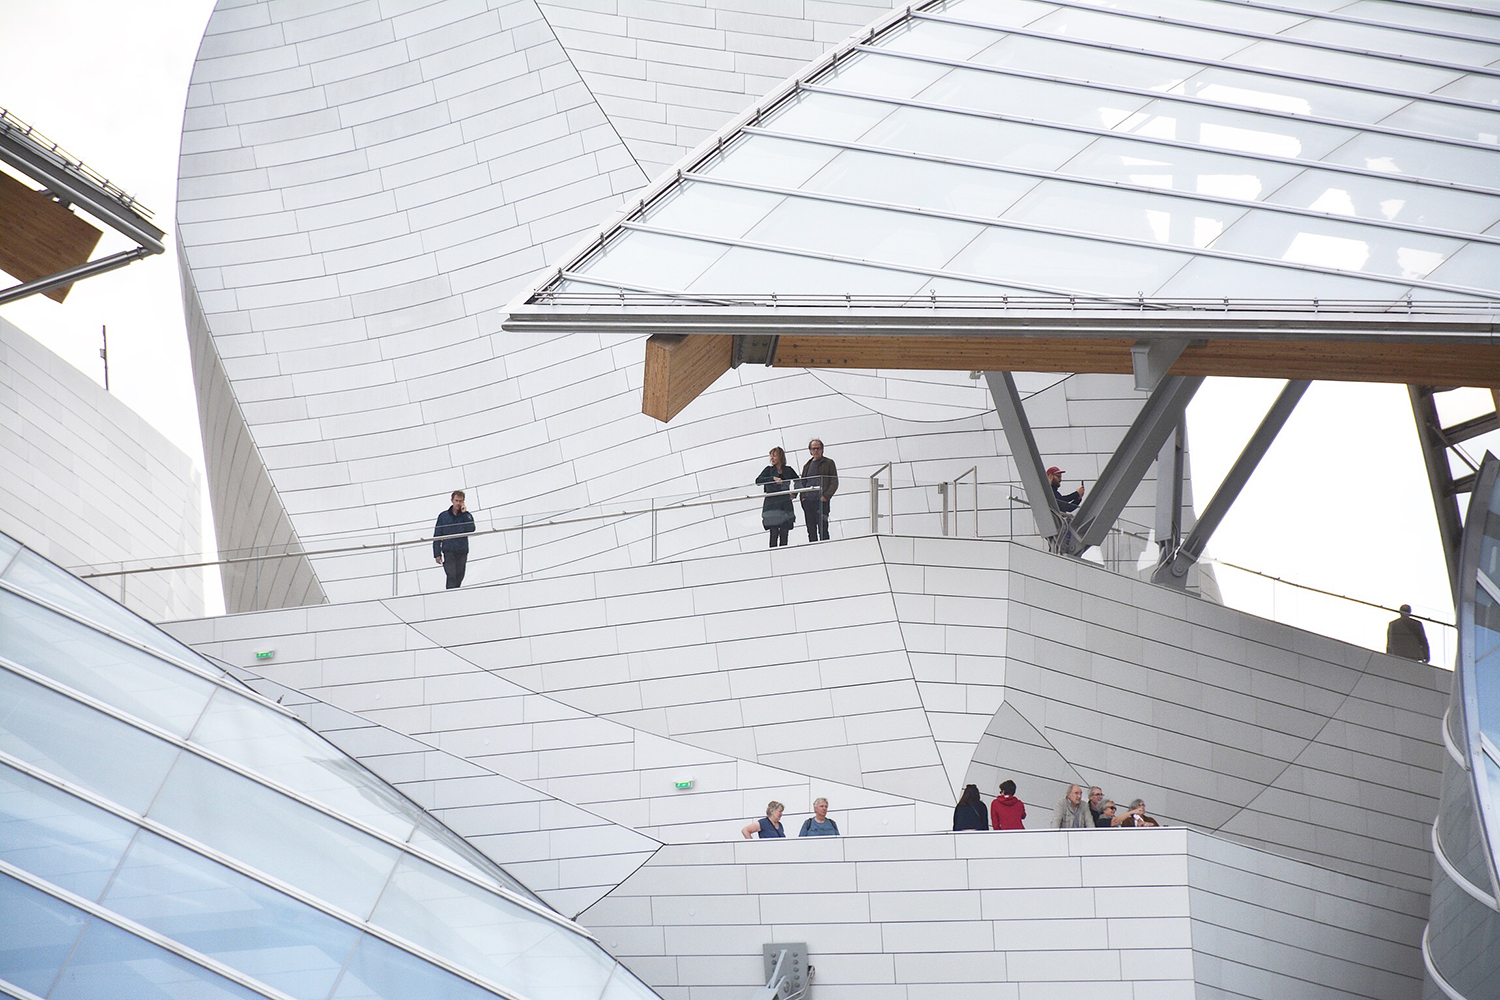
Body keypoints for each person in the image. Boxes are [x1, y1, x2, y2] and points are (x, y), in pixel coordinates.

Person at [433, 490, 476, 589]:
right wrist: (437, 553)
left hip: (462, 551)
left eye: (460, 501)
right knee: (451, 575)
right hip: (449, 551)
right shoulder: (443, 516)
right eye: (456, 500)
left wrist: (465, 514)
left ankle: (456, 593)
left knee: (459, 576)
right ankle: (450, 594)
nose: (458, 503)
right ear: (452, 500)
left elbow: (471, 528)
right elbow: (437, 535)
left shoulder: (466, 516)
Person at [756, 447, 797, 547]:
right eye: (771, 456)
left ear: (780, 457)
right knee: (773, 533)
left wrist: (794, 493)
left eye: (774, 456)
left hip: (784, 504)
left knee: (784, 533)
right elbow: (758, 481)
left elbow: (799, 481)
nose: (772, 458)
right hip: (772, 505)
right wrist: (772, 478)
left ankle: (784, 554)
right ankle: (773, 554)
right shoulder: (768, 470)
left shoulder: (788, 470)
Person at [799, 439, 838, 542]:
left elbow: (834, 482)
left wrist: (826, 496)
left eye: (818, 448)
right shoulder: (807, 465)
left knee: (823, 529)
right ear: (810, 451)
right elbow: (803, 483)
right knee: (811, 530)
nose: (816, 451)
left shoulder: (828, 463)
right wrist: (803, 497)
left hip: (821, 501)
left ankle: (826, 549)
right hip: (808, 502)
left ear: (822, 449)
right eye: (813, 449)